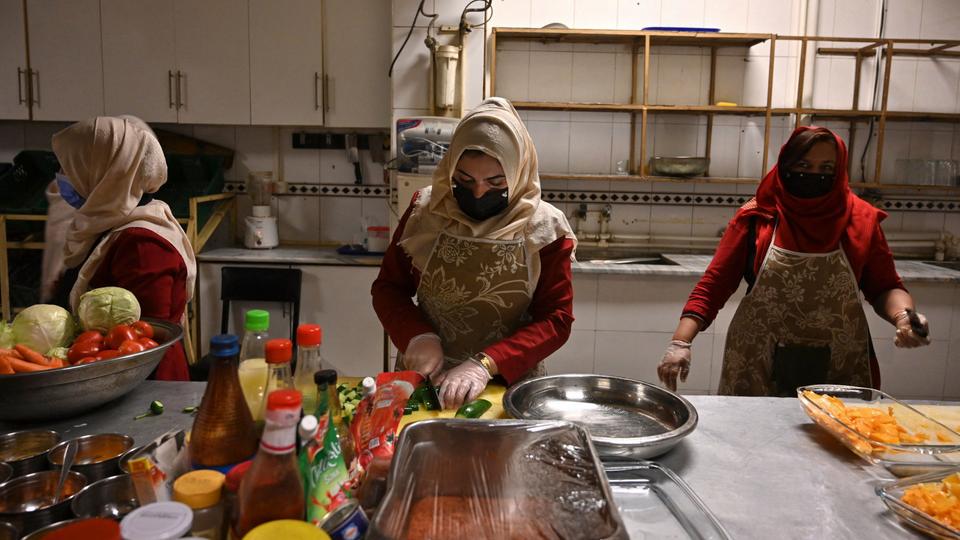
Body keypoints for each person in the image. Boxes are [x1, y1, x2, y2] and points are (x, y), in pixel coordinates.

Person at [658, 126, 930, 396]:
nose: (814, 175)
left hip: (839, 362)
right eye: (803, 164)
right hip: (757, 360)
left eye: (826, 168)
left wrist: (903, 316)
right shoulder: (758, 218)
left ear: (839, 172)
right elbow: (714, 285)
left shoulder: (861, 221)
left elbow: (885, 286)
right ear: (786, 165)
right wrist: (681, 342)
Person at [372, 97, 577, 409]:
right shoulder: (425, 211)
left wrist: (485, 364)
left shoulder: (545, 229)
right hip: (428, 381)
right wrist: (417, 337)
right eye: (465, 180)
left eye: (495, 182)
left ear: (518, 171)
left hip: (508, 385)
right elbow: (389, 288)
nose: (479, 192)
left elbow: (556, 319)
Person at [49, 116, 196, 381]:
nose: (61, 177)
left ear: (102, 171)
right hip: (109, 374)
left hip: (145, 386)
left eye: (68, 167)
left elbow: (147, 339)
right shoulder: (108, 223)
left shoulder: (142, 242)